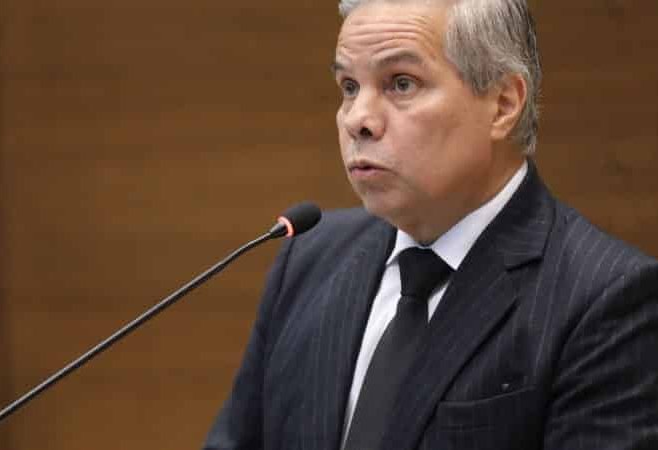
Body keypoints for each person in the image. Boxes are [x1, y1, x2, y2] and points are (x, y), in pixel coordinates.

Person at [204, 0, 658, 449]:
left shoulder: (607, 299)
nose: (358, 119)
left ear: (503, 104)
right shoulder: (308, 259)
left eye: (401, 83)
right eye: (349, 86)